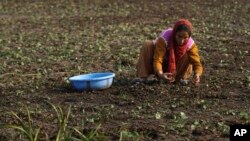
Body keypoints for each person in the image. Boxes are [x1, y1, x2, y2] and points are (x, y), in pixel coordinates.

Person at [135, 19, 203, 85]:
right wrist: (160, 74)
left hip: (175, 70)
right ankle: (144, 77)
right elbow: (158, 59)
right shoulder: (165, 38)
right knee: (147, 44)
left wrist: (197, 75)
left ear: (189, 36)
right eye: (179, 36)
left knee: (188, 54)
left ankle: (180, 78)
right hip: (158, 66)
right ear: (174, 33)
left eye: (185, 38)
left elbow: (197, 63)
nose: (181, 41)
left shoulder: (190, 44)